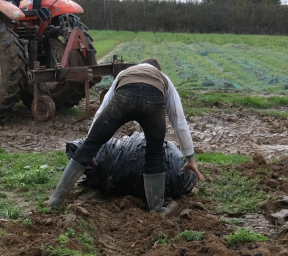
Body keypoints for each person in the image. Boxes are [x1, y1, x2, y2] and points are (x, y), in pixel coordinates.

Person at [45, 59, 204, 212]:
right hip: (152, 101)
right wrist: (190, 157)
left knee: (88, 146)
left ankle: (55, 200)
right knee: (154, 152)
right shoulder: (164, 79)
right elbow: (179, 120)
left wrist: (91, 147)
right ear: (157, 69)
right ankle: (157, 208)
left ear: (141, 66)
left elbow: (101, 110)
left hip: (125, 97)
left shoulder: (126, 73)